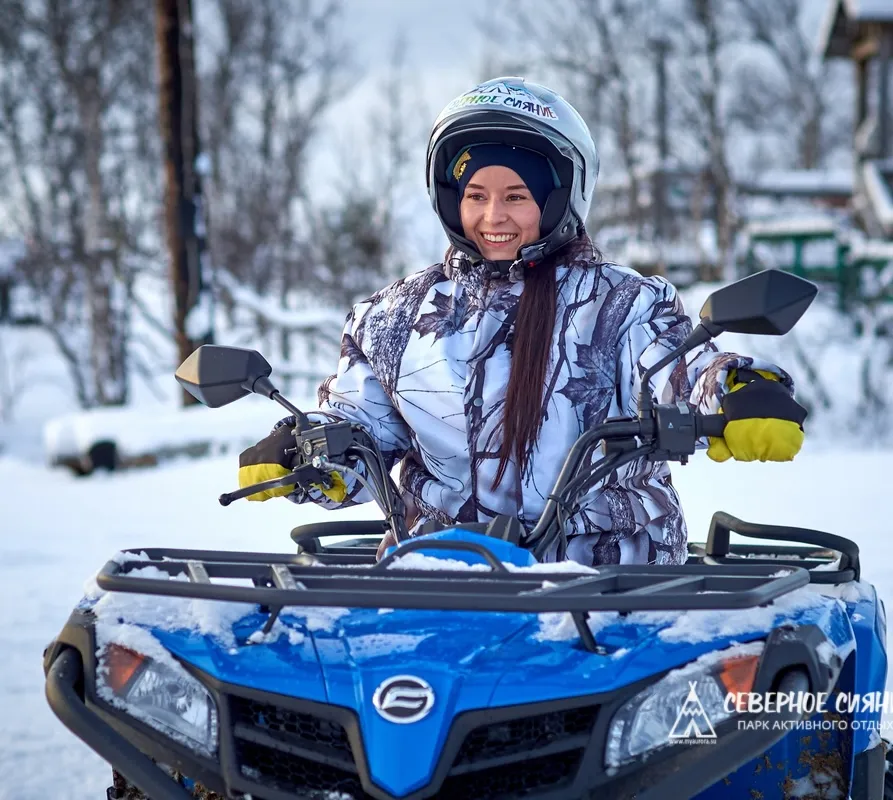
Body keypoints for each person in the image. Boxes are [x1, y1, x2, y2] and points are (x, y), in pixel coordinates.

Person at [237, 77, 807, 567]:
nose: (493, 216)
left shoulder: (620, 304)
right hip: (437, 586)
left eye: (516, 195)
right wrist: (313, 450)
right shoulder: (393, 317)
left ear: (559, 199)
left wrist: (733, 389)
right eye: (476, 194)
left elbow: (674, 366)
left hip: (607, 592)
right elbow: (362, 429)